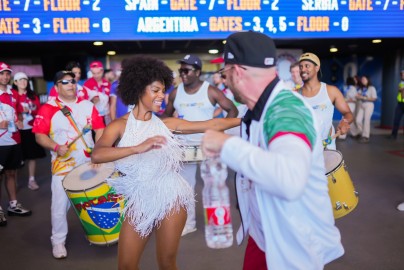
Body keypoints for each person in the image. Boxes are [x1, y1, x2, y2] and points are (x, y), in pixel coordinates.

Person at [201, 31, 344, 270]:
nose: (224, 81)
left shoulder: (286, 111)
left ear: (237, 72)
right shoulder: (261, 108)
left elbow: (289, 179)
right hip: (265, 233)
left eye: (224, 74)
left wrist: (226, 145)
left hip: (293, 246)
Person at [90, 55, 240, 270]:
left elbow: (213, 123)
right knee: (125, 265)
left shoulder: (167, 123)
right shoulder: (118, 126)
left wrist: (253, 117)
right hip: (139, 199)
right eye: (156, 90)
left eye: (163, 90)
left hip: (171, 196)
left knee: (167, 263)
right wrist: (137, 148)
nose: (162, 96)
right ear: (140, 89)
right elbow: (98, 154)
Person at [161, 54, 238, 236]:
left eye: (186, 70)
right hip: (184, 148)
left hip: (208, 146)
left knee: (215, 186)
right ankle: (188, 223)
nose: (182, 74)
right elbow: (166, 115)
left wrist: (219, 132)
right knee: (185, 188)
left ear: (197, 72)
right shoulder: (175, 92)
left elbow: (232, 109)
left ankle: (219, 224)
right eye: (181, 71)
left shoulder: (210, 90)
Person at [33, 70, 105, 259]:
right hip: (62, 165)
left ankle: (99, 234)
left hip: (89, 162)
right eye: (65, 82)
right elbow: (39, 135)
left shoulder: (88, 106)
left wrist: (98, 150)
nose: (71, 84)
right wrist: (55, 146)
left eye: (73, 81)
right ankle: (58, 241)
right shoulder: (47, 108)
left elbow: (100, 129)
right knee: (60, 205)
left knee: (94, 199)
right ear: (56, 87)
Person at [299, 52, 353, 149]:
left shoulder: (331, 91)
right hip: (303, 148)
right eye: (301, 66)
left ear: (317, 68)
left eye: (307, 66)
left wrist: (345, 122)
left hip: (326, 148)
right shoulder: (295, 94)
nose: (303, 69)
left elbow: (347, 113)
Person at [0, 62, 32, 227]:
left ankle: (13, 205)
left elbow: (17, 112)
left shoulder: (13, 93)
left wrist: (18, 120)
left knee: (11, 173)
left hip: (14, 139)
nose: (5, 77)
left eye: (7, 73)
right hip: (0, 141)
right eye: (2, 73)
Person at [13, 72, 46, 190]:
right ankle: (13, 182)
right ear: (15, 82)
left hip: (31, 129)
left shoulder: (33, 96)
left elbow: (39, 112)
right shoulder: (12, 96)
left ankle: (31, 180)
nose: (23, 82)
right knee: (17, 158)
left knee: (32, 156)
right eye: (20, 80)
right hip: (17, 131)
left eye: (25, 80)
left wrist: (30, 111)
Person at [349, 75, 378, 143]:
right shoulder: (361, 89)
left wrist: (364, 98)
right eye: (362, 80)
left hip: (369, 105)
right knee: (358, 120)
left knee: (366, 120)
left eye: (364, 79)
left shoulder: (371, 88)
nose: (363, 81)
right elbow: (357, 96)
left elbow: (374, 98)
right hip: (362, 104)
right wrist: (357, 96)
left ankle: (366, 136)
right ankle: (363, 132)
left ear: (368, 80)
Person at [390, 70, 404, 140]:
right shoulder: (401, 82)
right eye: (401, 74)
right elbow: (401, 92)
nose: (402, 75)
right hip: (400, 104)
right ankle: (393, 135)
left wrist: (402, 90)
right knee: (396, 120)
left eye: (403, 74)